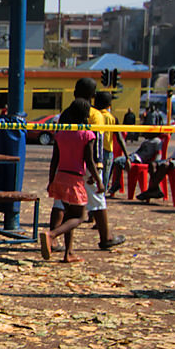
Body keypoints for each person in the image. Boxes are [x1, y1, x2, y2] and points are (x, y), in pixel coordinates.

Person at [48, 78, 125, 251]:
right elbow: (96, 141)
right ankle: (105, 237)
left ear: (75, 92)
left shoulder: (65, 113)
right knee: (97, 201)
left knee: (60, 202)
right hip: (85, 166)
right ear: (93, 95)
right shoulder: (95, 114)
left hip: (64, 166)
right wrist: (98, 167)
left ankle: (53, 240)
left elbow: (57, 145)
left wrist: (52, 175)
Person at [41, 98, 104, 263]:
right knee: (80, 217)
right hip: (74, 179)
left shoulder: (61, 134)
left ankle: (68, 253)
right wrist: (99, 180)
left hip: (61, 176)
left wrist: (51, 180)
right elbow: (89, 160)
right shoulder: (87, 135)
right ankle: (51, 235)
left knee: (69, 215)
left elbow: (54, 159)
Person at [135, 133, 175, 202]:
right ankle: (155, 188)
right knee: (153, 164)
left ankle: (152, 190)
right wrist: (171, 158)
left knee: (164, 165)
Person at [94, 91, 128, 197]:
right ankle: (101, 199)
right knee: (104, 179)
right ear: (109, 105)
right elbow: (119, 138)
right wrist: (127, 156)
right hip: (107, 151)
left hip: (94, 151)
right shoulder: (112, 118)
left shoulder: (93, 116)